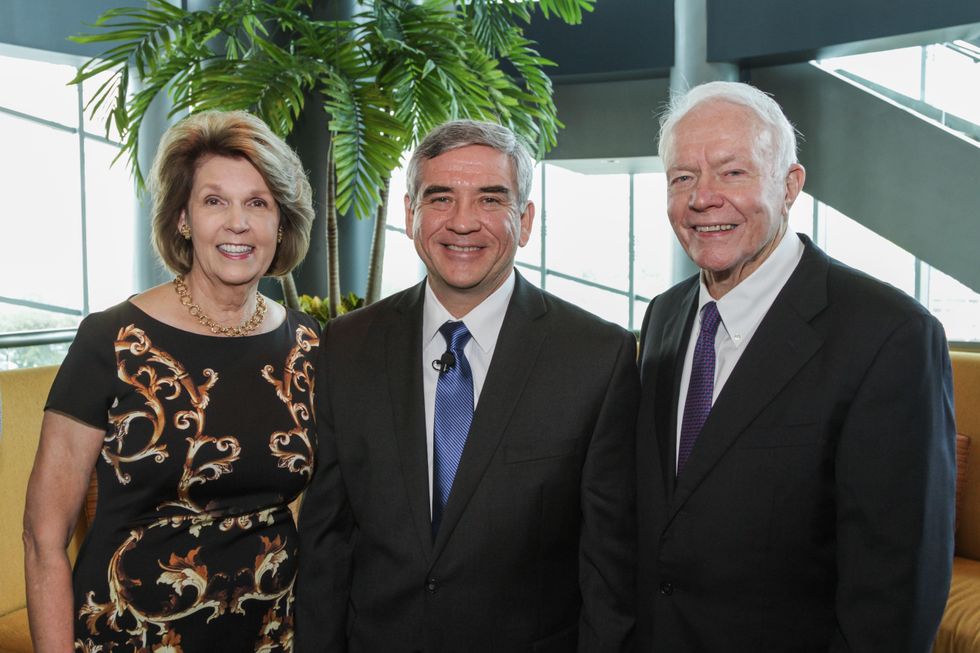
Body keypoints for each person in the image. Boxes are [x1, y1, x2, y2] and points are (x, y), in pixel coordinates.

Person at [635, 80, 957, 651]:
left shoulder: (889, 335)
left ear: (790, 186)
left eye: (733, 172)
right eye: (682, 177)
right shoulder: (664, 317)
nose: (703, 198)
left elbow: (895, 594)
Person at [296, 120, 638, 652]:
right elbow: (327, 544)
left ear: (524, 222)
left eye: (489, 199)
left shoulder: (598, 357)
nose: (462, 223)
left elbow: (608, 569)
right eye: (440, 198)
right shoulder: (347, 345)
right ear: (410, 216)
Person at [23, 110, 319, 651]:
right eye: (214, 201)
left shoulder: (308, 345)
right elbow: (44, 537)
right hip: (127, 633)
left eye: (258, 203)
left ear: (281, 223)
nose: (237, 223)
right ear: (182, 219)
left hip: (273, 637)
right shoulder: (111, 340)